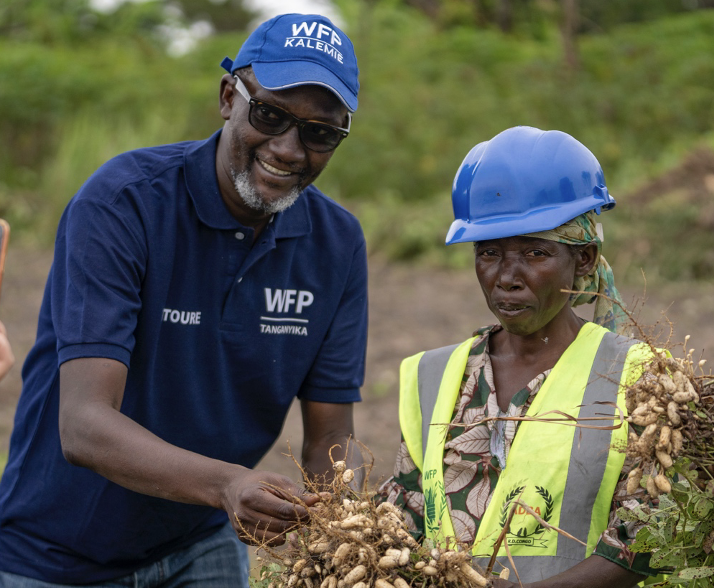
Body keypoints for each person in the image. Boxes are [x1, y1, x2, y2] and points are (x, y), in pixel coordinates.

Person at [0, 13, 367, 587]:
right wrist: (228, 485)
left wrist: (344, 543)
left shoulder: (336, 244)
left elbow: (330, 437)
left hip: (197, 541)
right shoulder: (124, 204)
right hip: (52, 552)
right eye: (270, 115)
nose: (290, 150)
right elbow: (84, 425)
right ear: (229, 97)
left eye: (320, 133)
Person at [379, 126, 661, 587]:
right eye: (489, 253)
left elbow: (648, 536)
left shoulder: (641, 378)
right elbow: (405, 513)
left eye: (535, 252)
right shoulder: (434, 375)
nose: (506, 277)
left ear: (585, 258)